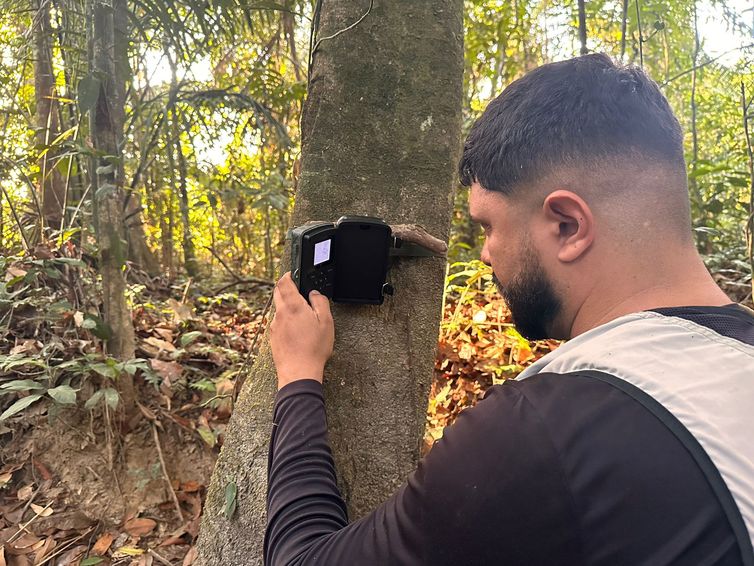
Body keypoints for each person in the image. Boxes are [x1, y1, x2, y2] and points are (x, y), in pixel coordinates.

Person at [264, 53, 754, 565]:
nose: (486, 253)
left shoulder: (539, 438)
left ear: (566, 225)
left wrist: (298, 376)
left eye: (488, 227)